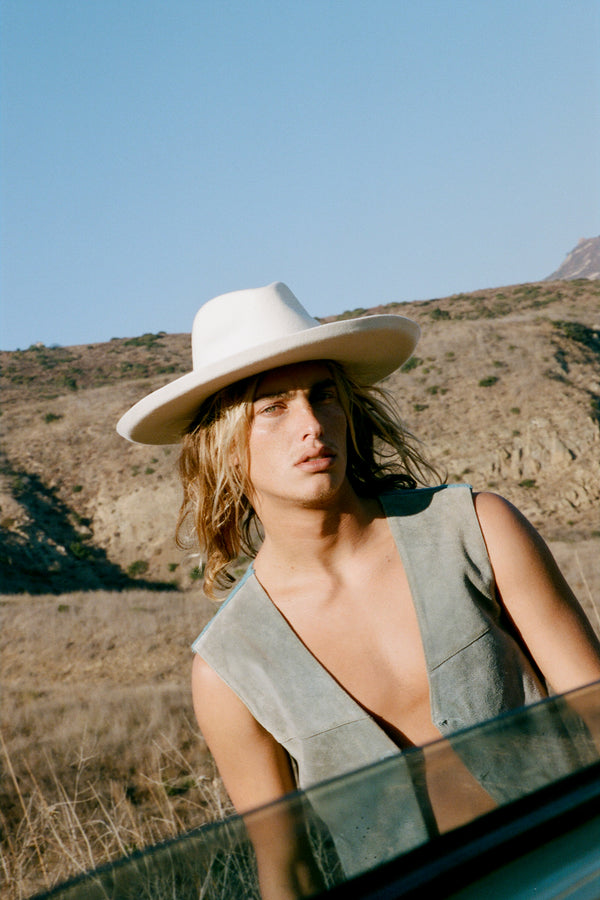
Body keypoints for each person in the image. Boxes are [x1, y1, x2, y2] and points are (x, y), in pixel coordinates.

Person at [117, 281, 600, 895]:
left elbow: (595, 708)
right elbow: (286, 868)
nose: (312, 425)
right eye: (273, 407)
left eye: (324, 397)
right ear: (222, 444)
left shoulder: (475, 528)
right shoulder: (230, 666)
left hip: (571, 867)